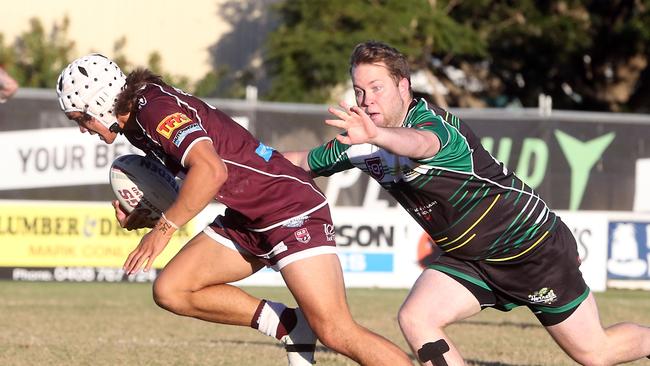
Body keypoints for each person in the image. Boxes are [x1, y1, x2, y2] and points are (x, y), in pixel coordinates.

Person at [284, 41, 650, 365]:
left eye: (377, 88)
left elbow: (421, 144)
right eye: (359, 90)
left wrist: (378, 135)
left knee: (595, 353)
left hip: (530, 248)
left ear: (403, 86)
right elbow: (301, 162)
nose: (367, 100)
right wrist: (244, 156)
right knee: (417, 317)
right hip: (472, 259)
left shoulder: (436, 127)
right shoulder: (362, 141)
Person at [55, 54, 412, 366]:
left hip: (286, 206)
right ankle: (288, 324)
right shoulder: (138, 122)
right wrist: (149, 214)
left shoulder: (153, 109)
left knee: (336, 330)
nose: (83, 129)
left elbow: (211, 171)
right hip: (248, 215)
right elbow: (193, 181)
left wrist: (161, 231)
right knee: (172, 289)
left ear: (99, 102)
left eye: (80, 118)